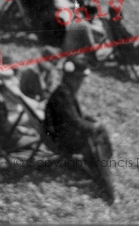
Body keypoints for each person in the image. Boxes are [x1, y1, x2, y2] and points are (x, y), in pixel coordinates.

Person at [44, 56, 114, 202]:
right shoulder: (64, 95)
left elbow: (73, 117)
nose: (80, 83)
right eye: (79, 79)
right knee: (97, 137)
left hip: (60, 134)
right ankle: (104, 179)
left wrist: (89, 121)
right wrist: (93, 126)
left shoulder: (64, 92)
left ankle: (102, 169)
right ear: (72, 78)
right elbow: (74, 121)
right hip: (60, 140)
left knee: (98, 132)